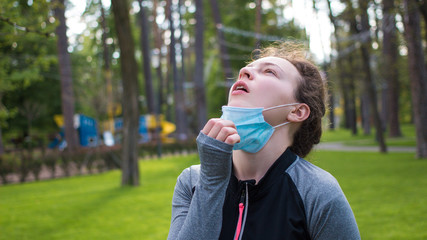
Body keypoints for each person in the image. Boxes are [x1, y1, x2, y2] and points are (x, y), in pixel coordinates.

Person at [167, 42, 360, 240]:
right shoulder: (191, 181)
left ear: (297, 111)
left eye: (269, 72)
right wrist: (211, 181)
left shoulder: (318, 191)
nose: (243, 72)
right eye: (246, 69)